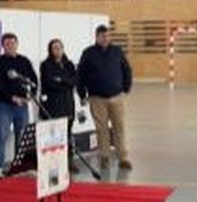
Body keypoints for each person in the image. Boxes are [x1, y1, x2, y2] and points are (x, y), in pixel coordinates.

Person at [77, 24, 134, 170]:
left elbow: (126, 69)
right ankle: (105, 157)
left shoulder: (117, 51)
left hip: (116, 96)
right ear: (96, 37)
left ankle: (123, 157)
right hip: (97, 98)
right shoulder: (88, 53)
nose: (106, 39)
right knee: (101, 128)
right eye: (103, 36)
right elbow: (81, 74)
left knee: (119, 126)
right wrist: (82, 94)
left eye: (108, 36)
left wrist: (126, 88)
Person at [0, 32, 36, 172]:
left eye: (13, 43)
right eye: (7, 43)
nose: (10, 46)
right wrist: (12, 98)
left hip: (23, 106)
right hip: (4, 105)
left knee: (22, 136)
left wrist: (30, 96)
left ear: (17, 44)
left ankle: (20, 165)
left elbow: (33, 79)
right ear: (3, 46)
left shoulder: (24, 61)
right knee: (1, 135)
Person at [39, 37, 80, 121]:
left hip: (68, 103)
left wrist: (61, 80)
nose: (58, 50)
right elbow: (50, 84)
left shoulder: (69, 64)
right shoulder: (46, 65)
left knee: (69, 127)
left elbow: (75, 80)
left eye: (60, 47)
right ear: (50, 50)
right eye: (55, 48)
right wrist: (68, 83)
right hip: (53, 103)